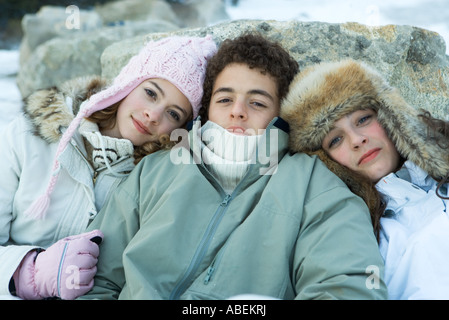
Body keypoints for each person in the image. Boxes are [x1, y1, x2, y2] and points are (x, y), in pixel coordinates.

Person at [80, 33, 387, 300]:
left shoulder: (313, 185)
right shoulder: (154, 172)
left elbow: (348, 285)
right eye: (225, 99)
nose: (238, 112)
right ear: (207, 108)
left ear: (280, 114)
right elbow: (94, 278)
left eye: (257, 103)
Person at [0, 35, 217, 300]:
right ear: (127, 84)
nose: (153, 115)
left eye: (173, 114)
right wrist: (28, 273)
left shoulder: (152, 182)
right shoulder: (27, 136)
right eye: (150, 93)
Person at [280, 58, 449, 299]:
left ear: (391, 116)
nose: (357, 140)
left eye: (363, 119)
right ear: (325, 161)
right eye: (335, 140)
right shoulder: (360, 239)